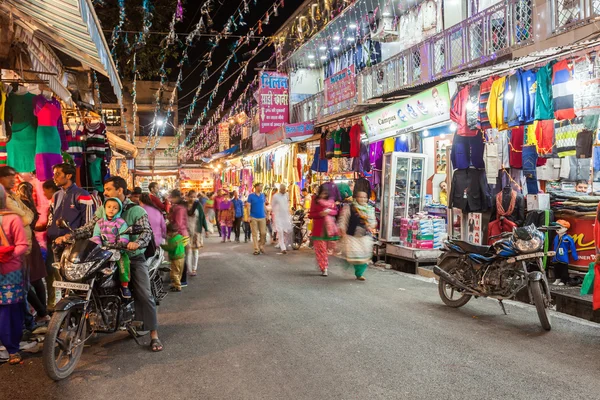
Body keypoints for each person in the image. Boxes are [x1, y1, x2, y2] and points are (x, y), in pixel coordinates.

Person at [56, 176, 163, 352]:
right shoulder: (103, 209)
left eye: (108, 189)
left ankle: (154, 334)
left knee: (144, 293)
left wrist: (136, 243)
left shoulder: (136, 211)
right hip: (105, 255)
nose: (104, 192)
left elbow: (146, 232)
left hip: (131, 256)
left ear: (119, 190)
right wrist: (70, 236)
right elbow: (89, 228)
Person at [47, 163, 95, 309]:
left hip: (75, 247)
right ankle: (63, 315)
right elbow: (50, 218)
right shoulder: (56, 195)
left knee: (76, 282)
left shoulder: (82, 195)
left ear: (68, 176)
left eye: (57, 174)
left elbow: (88, 225)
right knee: (61, 281)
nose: (54, 177)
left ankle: (80, 312)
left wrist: (71, 237)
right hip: (57, 245)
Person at [0, 186, 29, 365]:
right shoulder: (12, 218)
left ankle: (12, 349)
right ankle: (10, 349)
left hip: (9, 271)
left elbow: (21, 245)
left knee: (9, 311)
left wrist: (7, 254)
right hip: (10, 269)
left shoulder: (12, 219)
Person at [17, 182, 49, 322]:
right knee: (37, 280)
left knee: (24, 282)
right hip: (32, 243)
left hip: (24, 245)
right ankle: (43, 313)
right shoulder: (30, 206)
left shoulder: (20, 205)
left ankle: (42, 312)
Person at [90, 198, 132, 298]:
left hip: (118, 250)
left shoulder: (121, 223)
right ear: (104, 208)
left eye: (115, 208)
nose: (111, 209)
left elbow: (124, 235)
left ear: (119, 210)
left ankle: (124, 286)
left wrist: (121, 243)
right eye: (109, 207)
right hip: (102, 250)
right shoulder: (99, 222)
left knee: (123, 265)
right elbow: (96, 235)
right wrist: (98, 245)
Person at [338, 191, 377, 281]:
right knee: (353, 254)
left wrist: (371, 226)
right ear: (356, 198)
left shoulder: (370, 209)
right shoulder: (349, 207)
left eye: (365, 197)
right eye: (361, 197)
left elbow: (373, 222)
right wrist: (342, 229)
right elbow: (344, 219)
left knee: (364, 255)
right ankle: (349, 266)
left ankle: (359, 274)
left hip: (365, 236)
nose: (363, 199)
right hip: (352, 236)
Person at [309, 185, 339, 276]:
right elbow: (311, 215)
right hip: (319, 230)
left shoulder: (331, 202)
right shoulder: (315, 201)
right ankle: (324, 267)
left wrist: (329, 212)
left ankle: (323, 265)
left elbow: (336, 211)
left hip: (329, 230)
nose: (323, 196)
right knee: (321, 250)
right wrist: (320, 214)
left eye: (325, 194)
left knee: (326, 250)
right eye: (322, 194)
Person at [169, 189, 190, 287]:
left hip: (180, 235)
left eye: (171, 197)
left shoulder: (179, 208)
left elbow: (178, 223)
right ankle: (180, 278)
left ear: (176, 198)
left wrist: (171, 229)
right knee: (180, 258)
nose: (170, 199)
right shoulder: (179, 207)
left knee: (179, 258)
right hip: (182, 234)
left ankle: (182, 280)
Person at [161, 224, 186, 292]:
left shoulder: (172, 241)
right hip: (182, 257)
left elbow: (169, 248)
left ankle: (177, 286)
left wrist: (162, 246)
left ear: (170, 232)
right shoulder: (180, 237)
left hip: (176, 259)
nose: (168, 234)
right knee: (179, 272)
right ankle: (176, 284)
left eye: (168, 232)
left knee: (174, 273)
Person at [271, 184, 292, 254]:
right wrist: (275, 213)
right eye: (282, 189)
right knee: (280, 232)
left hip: (286, 216)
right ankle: (283, 248)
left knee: (288, 231)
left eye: (284, 189)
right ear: (280, 189)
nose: (284, 191)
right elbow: (273, 205)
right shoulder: (275, 196)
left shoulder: (286, 195)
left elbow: (287, 204)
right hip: (278, 217)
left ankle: (284, 244)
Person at [246, 183, 267, 255]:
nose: (261, 187)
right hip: (253, 217)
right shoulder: (251, 196)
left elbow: (264, 205)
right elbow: (248, 206)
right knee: (254, 234)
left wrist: (267, 214)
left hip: (262, 217)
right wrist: (249, 216)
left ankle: (260, 245)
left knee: (263, 233)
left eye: (262, 186)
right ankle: (256, 249)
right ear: (256, 187)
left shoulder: (262, 195)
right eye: (260, 186)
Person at [185, 191, 200, 275]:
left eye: (194, 197)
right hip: (186, 231)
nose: (192, 198)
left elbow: (201, 218)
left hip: (195, 231)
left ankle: (194, 268)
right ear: (187, 197)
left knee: (195, 250)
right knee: (188, 251)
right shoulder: (184, 207)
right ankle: (189, 269)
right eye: (191, 197)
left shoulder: (198, 207)